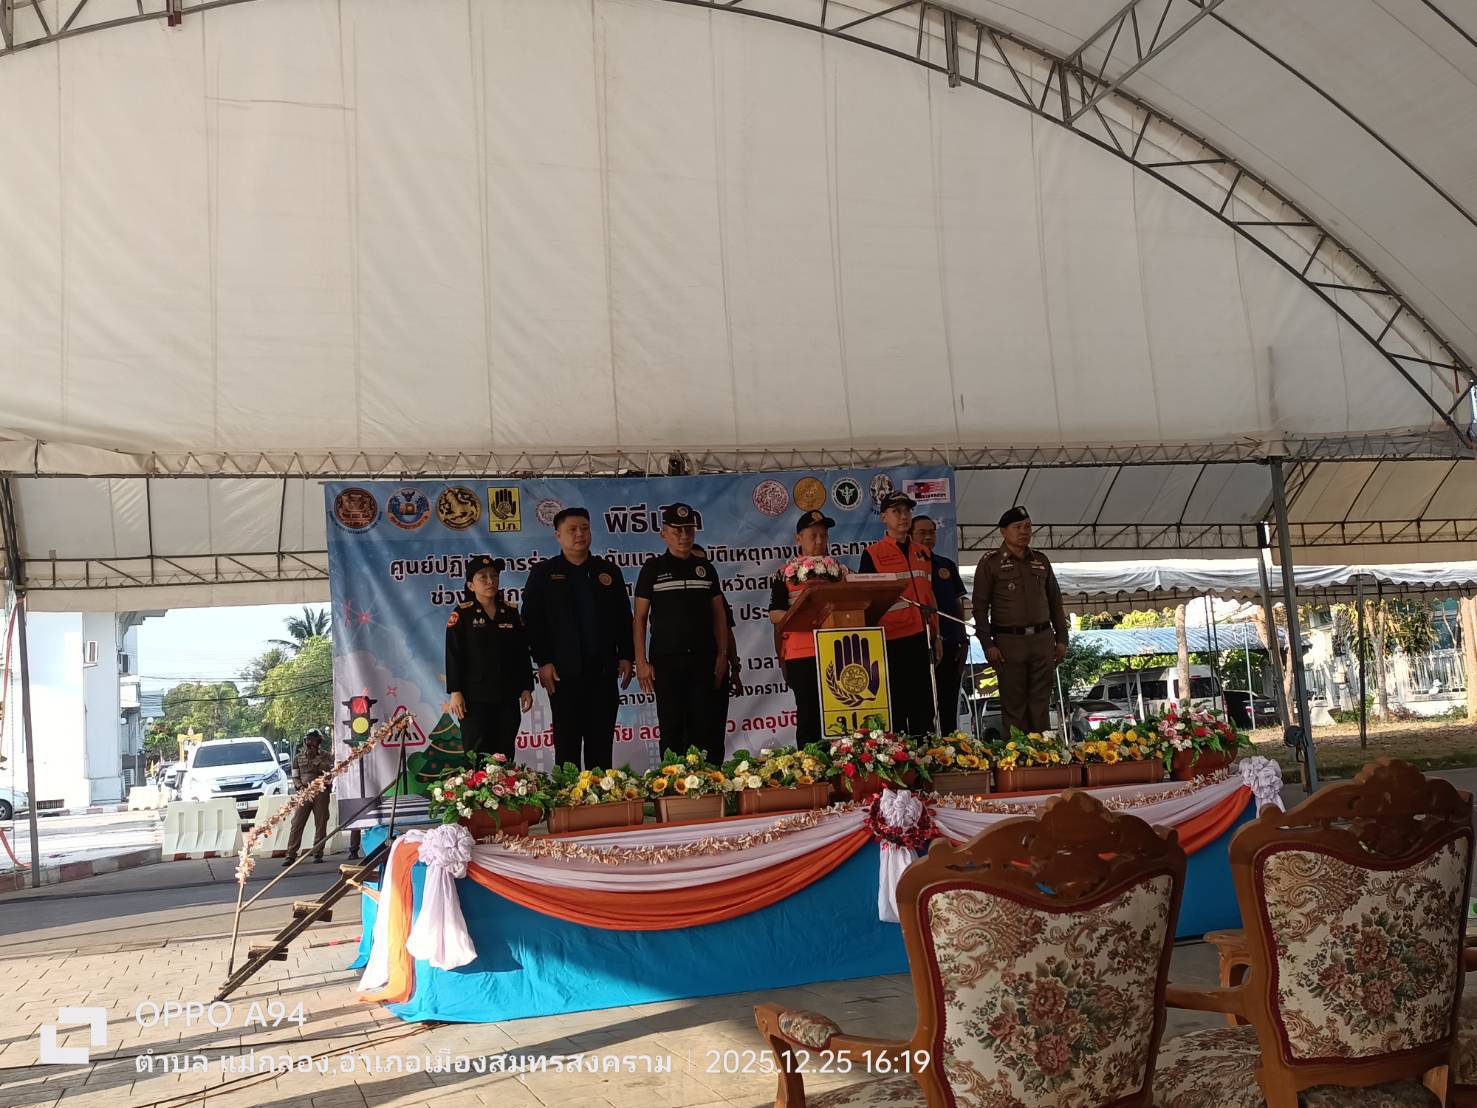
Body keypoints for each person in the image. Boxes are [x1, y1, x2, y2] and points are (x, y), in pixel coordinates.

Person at [522, 507, 635, 770]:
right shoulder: (544, 573)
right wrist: (543, 661)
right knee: (567, 744)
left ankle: (600, 791)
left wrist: (626, 655)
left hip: (603, 671)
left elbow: (623, 617)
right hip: (563, 674)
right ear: (558, 536)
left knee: (601, 745)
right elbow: (532, 622)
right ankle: (567, 794)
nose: (579, 534)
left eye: (584, 528)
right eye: (572, 530)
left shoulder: (608, 571)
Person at [633, 504, 729, 764]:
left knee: (703, 728)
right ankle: (672, 783)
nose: (684, 536)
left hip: (703, 660)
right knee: (672, 728)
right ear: (664, 534)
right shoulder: (652, 569)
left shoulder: (705, 568)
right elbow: (639, 618)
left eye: (689, 530)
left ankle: (705, 782)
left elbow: (719, 615)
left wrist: (722, 654)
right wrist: (641, 661)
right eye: (677, 531)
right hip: (667, 662)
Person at [971, 505, 1069, 737]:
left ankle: (1042, 753)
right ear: (1003, 531)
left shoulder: (1041, 561)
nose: (1024, 531)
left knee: (1040, 704)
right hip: (1009, 642)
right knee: (1014, 706)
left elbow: (1055, 603)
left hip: (1042, 640)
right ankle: (1019, 755)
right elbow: (980, 609)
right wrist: (988, 645)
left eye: (1028, 527)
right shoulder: (991, 562)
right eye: (1018, 527)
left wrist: (1062, 639)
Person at [859, 492, 940, 735]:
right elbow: (867, 601)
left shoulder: (923, 552)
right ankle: (900, 754)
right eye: (896, 511)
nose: (904, 516)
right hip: (890, 640)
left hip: (921, 637)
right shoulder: (872, 553)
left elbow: (930, 595)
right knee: (896, 706)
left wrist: (937, 635)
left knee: (924, 707)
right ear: (884, 517)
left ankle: (925, 752)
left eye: (907, 511)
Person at [445, 554, 535, 759]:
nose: (490, 581)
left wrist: (526, 687)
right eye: (483, 577)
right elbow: (453, 655)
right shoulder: (462, 614)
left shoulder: (510, 612)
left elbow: (521, 652)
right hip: (474, 697)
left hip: (507, 695)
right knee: (476, 754)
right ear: (471, 585)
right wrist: (455, 691)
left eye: (494, 576)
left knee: (504, 753)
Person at [767, 509, 836, 745]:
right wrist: (802, 618)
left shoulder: (838, 572)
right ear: (798, 539)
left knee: (838, 711)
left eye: (823, 536)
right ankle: (810, 762)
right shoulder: (784, 574)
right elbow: (774, 614)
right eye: (813, 536)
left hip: (835, 651)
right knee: (808, 713)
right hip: (801, 653)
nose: (819, 541)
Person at [911, 514, 968, 732]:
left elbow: (958, 604)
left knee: (948, 703)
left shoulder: (946, 565)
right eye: (922, 533)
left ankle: (950, 746)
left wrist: (963, 639)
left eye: (931, 532)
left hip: (951, 644)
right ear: (910, 535)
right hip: (920, 644)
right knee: (921, 708)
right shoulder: (909, 567)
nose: (928, 537)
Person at [694, 544, 743, 757]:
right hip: (689, 671)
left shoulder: (717, 596)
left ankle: (715, 773)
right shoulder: (675, 595)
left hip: (717, 670)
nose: (699, 566)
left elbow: (728, 632)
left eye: (703, 562)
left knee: (715, 730)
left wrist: (735, 668)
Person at [283, 730, 334, 865]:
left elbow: (329, 772)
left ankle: (318, 853)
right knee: (296, 823)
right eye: (308, 740)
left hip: (320, 792)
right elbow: (295, 776)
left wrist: (316, 759)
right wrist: (300, 786)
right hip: (304, 792)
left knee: (321, 823)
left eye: (313, 740)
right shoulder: (298, 757)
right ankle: (291, 854)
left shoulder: (326, 756)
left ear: (319, 742)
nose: (310, 742)